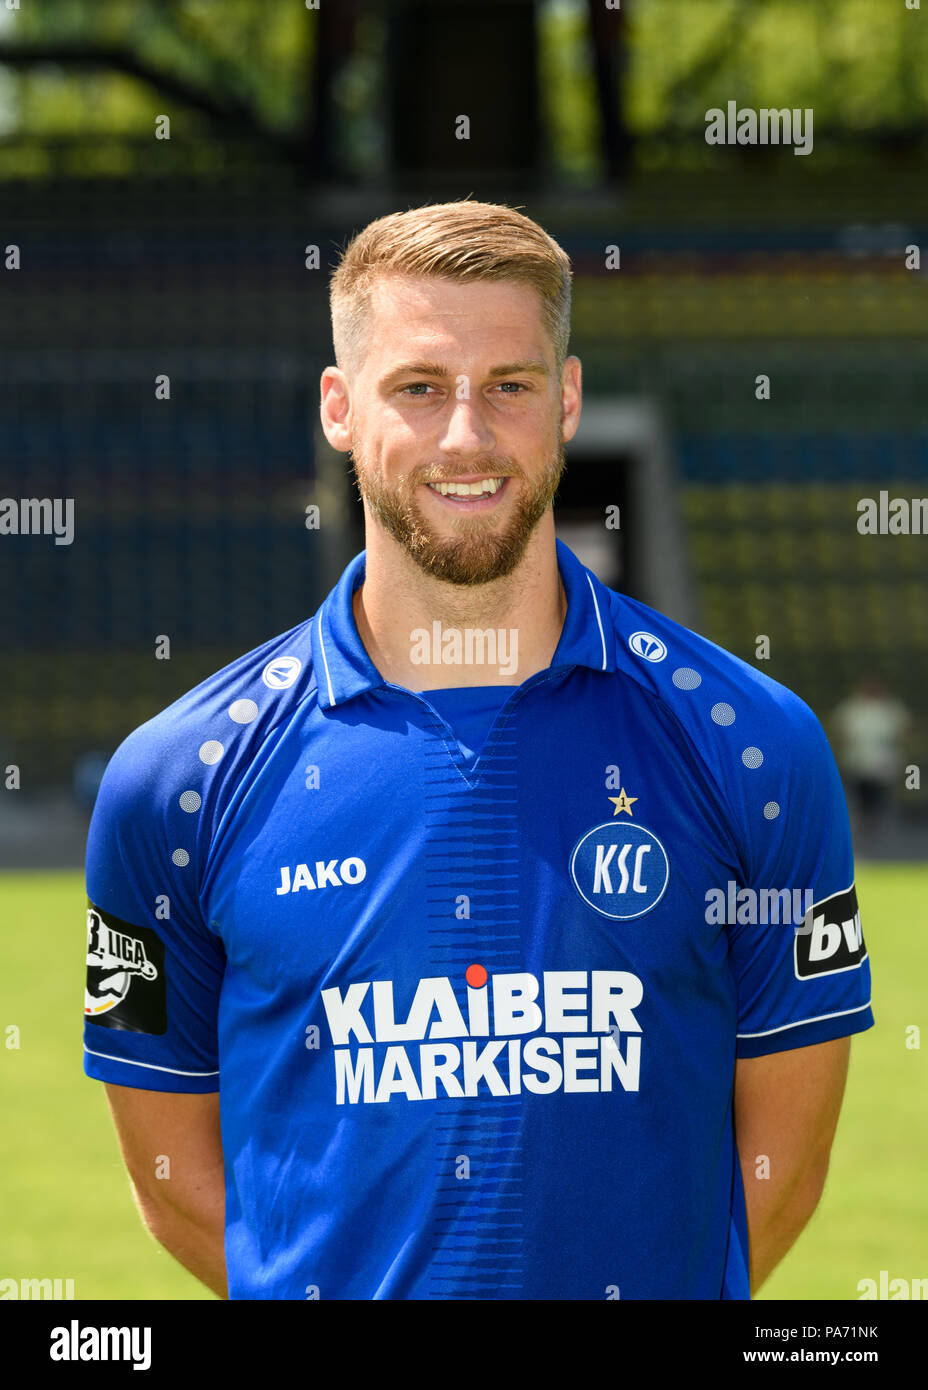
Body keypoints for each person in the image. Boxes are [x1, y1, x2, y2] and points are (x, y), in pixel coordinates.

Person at [83, 199, 872, 1301]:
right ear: (340, 407)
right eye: (418, 387)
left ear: (568, 400)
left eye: (509, 384)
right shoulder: (172, 782)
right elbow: (176, 1181)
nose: (466, 434)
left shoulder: (751, 746)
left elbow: (777, 1173)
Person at [830, 677, 910, 852]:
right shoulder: (851, 708)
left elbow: (902, 733)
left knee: (881, 804)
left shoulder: (891, 709)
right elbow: (841, 733)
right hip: (858, 764)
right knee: (859, 803)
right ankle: (859, 842)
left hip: (883, 764)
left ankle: (884, 840)